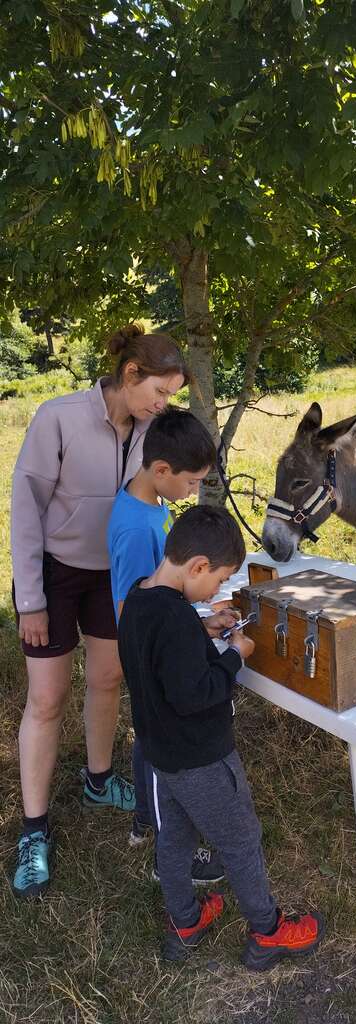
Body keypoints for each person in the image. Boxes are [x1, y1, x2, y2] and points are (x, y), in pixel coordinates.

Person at [11, 322, 188, 898]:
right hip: (56, 576)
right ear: (130, 375)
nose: (163, 406)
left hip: (114, 575)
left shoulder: (148, 431)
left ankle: (97, 780)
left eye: (171, 398)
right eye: (160, 392)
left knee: (109, 677)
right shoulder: (58, 418)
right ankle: (33, 830)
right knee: (46, 697)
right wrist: (31, 600)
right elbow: (25, 511)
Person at [118, 505, 324, 967]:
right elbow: (197, 694)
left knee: (174, 839)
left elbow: (164, 651)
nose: (217, 592)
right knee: (240, 839)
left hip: (161, 757)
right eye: (218, 580)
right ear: (197, 567)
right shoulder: (175, 621)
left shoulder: (140, 600)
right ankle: (268, 931)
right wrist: (234, 655)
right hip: (203, 759)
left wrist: (200, 625)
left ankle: (186, 921)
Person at [108, 406, 238, 886]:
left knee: (151, 737)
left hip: (155, 650)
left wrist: (197, 626)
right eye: (190, 482)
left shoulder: (148, 506)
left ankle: (150, 817)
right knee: (155, 742)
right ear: (161, 470)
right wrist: (190, 635)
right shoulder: (141, 528)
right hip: (150, 660)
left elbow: (164, 605)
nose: (191, 492)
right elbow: (138, 609)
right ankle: (156, 825)